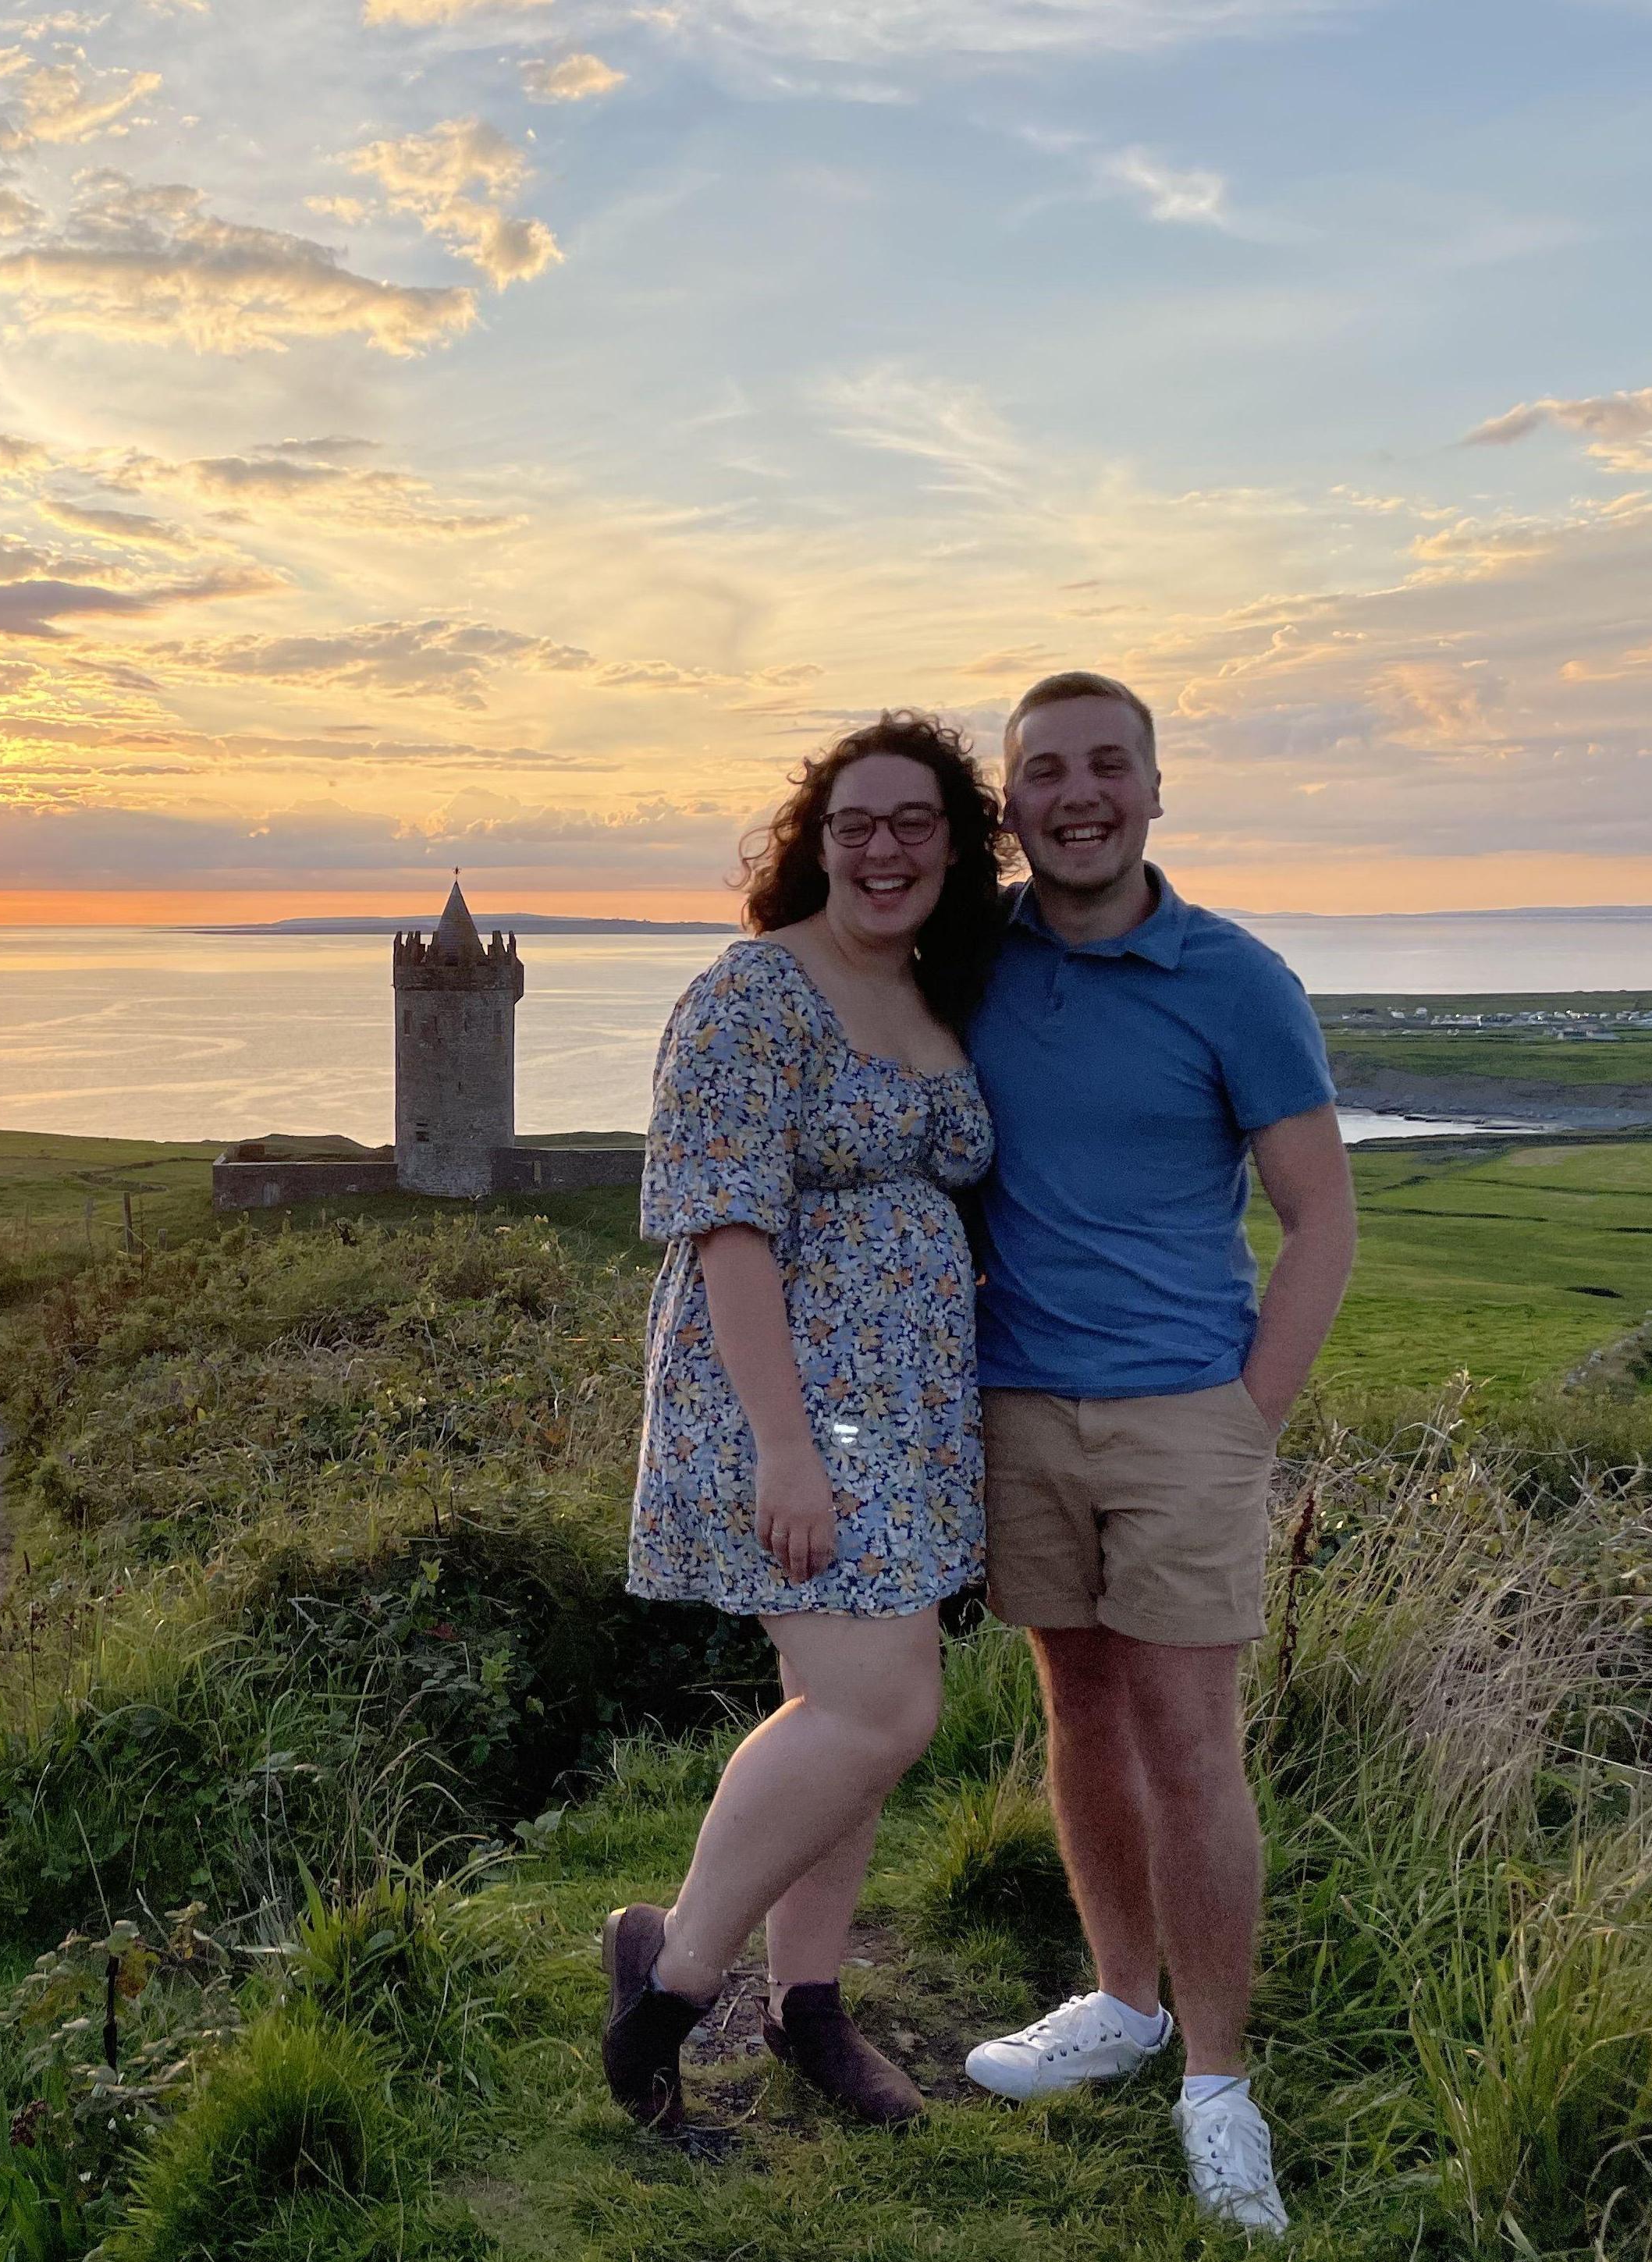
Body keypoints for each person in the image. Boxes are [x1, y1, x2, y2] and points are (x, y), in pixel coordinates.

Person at [961, 671, 1356, 2235]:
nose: (1079, 794)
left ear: (1154, 787)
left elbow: (1322, 1215)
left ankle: (1215, 2078)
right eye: (1046, 771)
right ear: (1012, 806)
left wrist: (1249, 1414)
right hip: (1017, 1405)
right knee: (1081, 1712)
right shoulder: (971, 957)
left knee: (1192, 1742)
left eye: (1106, 765)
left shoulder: (1237, 977)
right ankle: (1121, 2000)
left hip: (1187, 1410)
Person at [600, 711, 1010, 2136]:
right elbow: (724, 1228)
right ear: (815, 844)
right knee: (876, 1701)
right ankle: (671, 1980)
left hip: (911, 1416)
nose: (884, 847)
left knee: (851, 1716)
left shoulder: (937, 991)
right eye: (856, 824)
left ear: (956, 847)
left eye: (913, 822)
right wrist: (782, 1446)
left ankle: (809, 2004)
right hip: (787, 1404)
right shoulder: (752, 995)